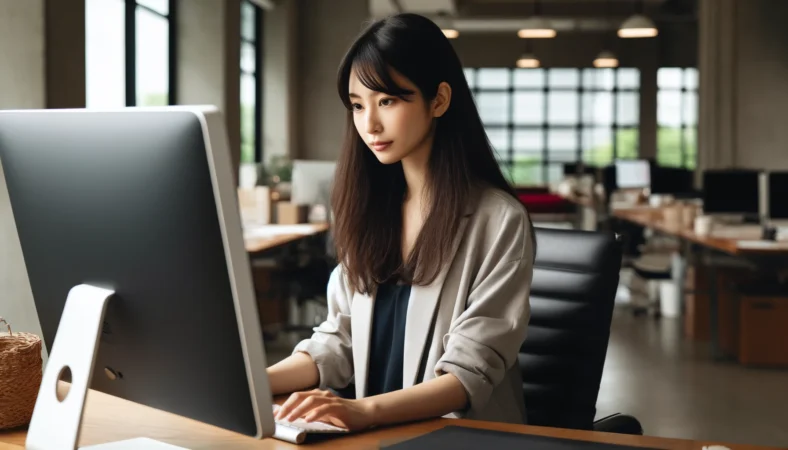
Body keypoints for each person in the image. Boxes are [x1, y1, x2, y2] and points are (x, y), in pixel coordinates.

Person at [266, 12, 536, 431]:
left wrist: (361, 411)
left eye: (387, 101)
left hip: (455, 436)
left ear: (439, 100)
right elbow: (338, 340)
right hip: (375, 434)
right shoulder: (372, 209)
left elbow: (468, 374)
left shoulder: (499, 220)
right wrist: (253, 383)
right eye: (358, 105)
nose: (369, 124)